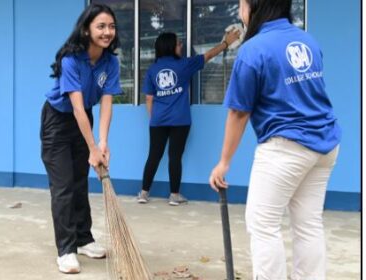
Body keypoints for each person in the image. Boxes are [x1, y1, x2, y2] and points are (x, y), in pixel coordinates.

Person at [208, 0, 341, 279]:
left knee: (263, 224)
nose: (240, 11)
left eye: (242, 4)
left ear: (255, 7)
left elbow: (238, 113)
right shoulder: (307, 40)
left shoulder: (253, 49)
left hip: (287, 147)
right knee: (308, 224)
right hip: (326, 143)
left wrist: (223, 163)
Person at [40, 3, 122, 274]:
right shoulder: (71, 60)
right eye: (101, 26)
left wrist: (103, 143)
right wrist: (92, 148)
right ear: (86, 30)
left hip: (83, 119)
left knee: (79, 183)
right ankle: (66, 250)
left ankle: (84, 238)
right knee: (63, 186)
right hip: (57, 121)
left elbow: (107, 104)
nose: (107, 32)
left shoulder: (110, 62)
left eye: (111, 26)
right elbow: (75, 107)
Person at [136, 30, 240, 205]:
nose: (181, 46)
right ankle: (174, 196)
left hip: (158, 121)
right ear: (170, 46)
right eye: (178, 43)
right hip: (180, 120)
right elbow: (208, 55)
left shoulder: (153, 69)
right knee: (175, 157)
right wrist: (226, 44)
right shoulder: (184, 65)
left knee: (154, 155)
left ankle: (144, 194)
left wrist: (153, 118)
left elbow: (148, 98)